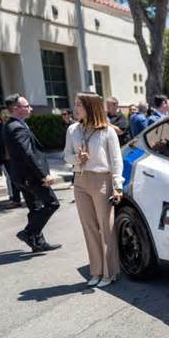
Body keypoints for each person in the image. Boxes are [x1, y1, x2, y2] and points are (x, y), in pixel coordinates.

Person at [64, 92, 124, 288]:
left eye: (79, 104)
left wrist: (117, 186)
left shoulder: (107, 131)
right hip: (80, 180)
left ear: (91, 107)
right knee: (89, 228)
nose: (75, 108)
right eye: (75, 104)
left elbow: (116, 161)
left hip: (102, 180)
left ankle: (110, 272)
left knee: (105, 228)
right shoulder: (73, 130)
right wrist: (77, 159)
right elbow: (66, 156)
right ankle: (96, 271)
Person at [3, 94, 61, 252]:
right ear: (16, 109)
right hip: (31, 176)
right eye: (26, 106)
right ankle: (29, 232)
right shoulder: (17, 128)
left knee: (35, 208)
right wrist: (44, 175)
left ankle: (37, 242)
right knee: (52, 204)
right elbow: (28, 154)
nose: (31, 108)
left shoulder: (12, 124)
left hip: (22, 176)